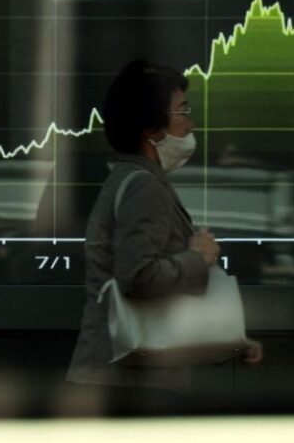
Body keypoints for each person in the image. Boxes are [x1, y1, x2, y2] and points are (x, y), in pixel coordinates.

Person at [66, 60, 262, 415]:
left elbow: (162, 302)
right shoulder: (144, 187)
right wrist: (198, 258)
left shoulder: (129, 179)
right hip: (130, 386)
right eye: (182, 110)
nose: (189, 123)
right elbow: (138, 276)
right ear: (151, 127)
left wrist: (231, 340)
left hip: (123, 379)